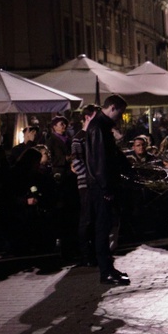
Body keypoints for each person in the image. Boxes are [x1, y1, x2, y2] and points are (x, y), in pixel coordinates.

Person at [85, 94, 130, 285]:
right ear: (112, 108)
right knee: (103, 229)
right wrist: (106, 188)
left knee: (107, 227)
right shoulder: (99, 127)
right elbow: (100, 161)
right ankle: (105, 271)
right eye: (120, 113)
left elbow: (110, 155)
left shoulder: (101, 126)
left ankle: (108, 267)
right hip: (101, 186)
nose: (120, 117)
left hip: (103, 185)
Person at [70, 104, 99, 266]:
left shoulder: (95, 135)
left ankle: (94, 252)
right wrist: (91, 176)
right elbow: (77, 162)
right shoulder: (79, 138)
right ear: (87, 118)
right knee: (87, 219)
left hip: (95, 182)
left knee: (95, 219)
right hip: (86, 183)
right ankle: (86, 255)